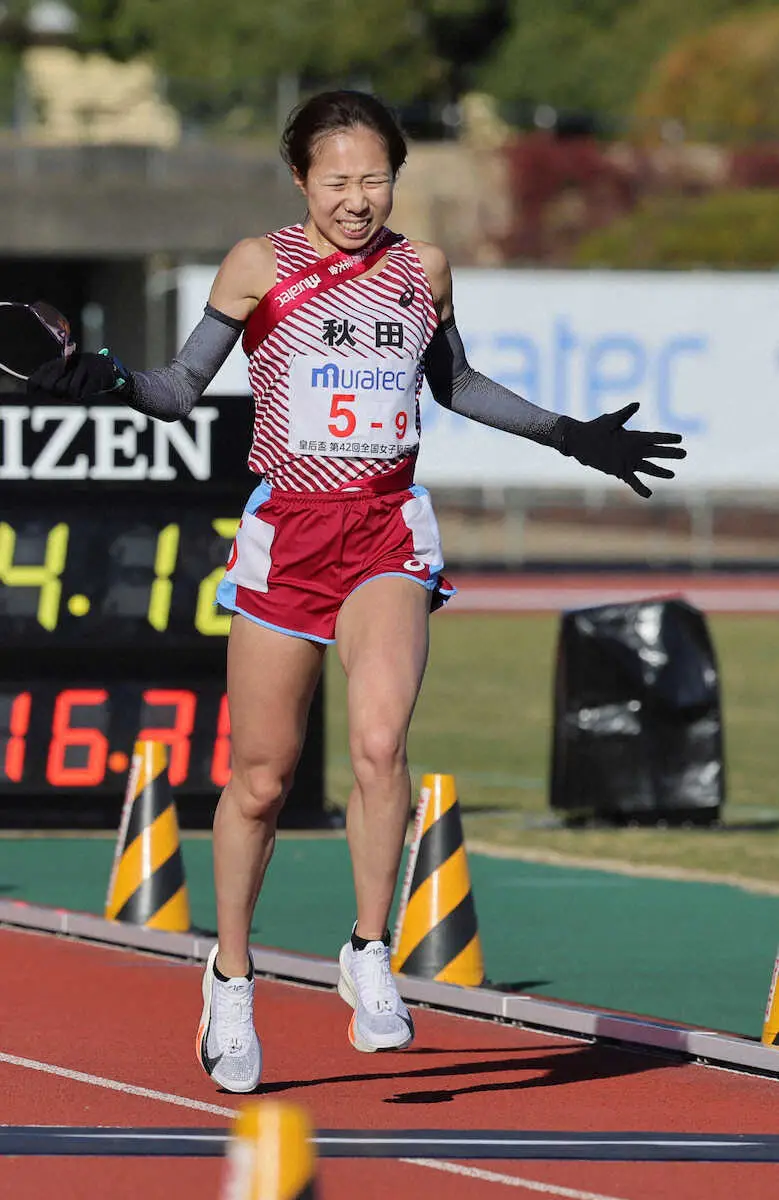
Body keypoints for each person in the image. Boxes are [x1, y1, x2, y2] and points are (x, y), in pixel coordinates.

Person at [28, 90, 686, 1094]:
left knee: (380, 746)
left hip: (385, 526)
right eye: (336, 180)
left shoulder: (421, 269)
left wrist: (571, 435)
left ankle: (369, 950)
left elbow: (454, 385)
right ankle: (232, 976)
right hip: (287, 531)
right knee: (261, 777)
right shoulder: (259, 265)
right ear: (300, 179)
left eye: (373, 178)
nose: (356, 198)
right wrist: (102, 377)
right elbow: (174, 391)